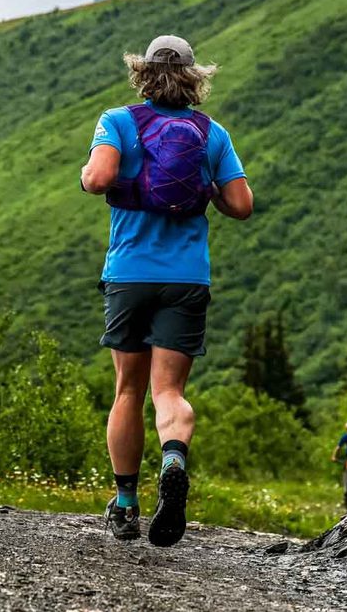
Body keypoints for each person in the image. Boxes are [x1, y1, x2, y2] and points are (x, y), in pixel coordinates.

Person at [79, 34, 253, 547]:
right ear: (194, 77)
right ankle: (173, 457)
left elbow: (98, 178)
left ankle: (126, 503)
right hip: (186, 277)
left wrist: (93, 176)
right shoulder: (211, 133)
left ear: (143, 74)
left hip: (130, 273)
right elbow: (241, 205)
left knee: (127, 391)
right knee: (168, 392)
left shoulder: (117, 121)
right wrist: (205, 189)